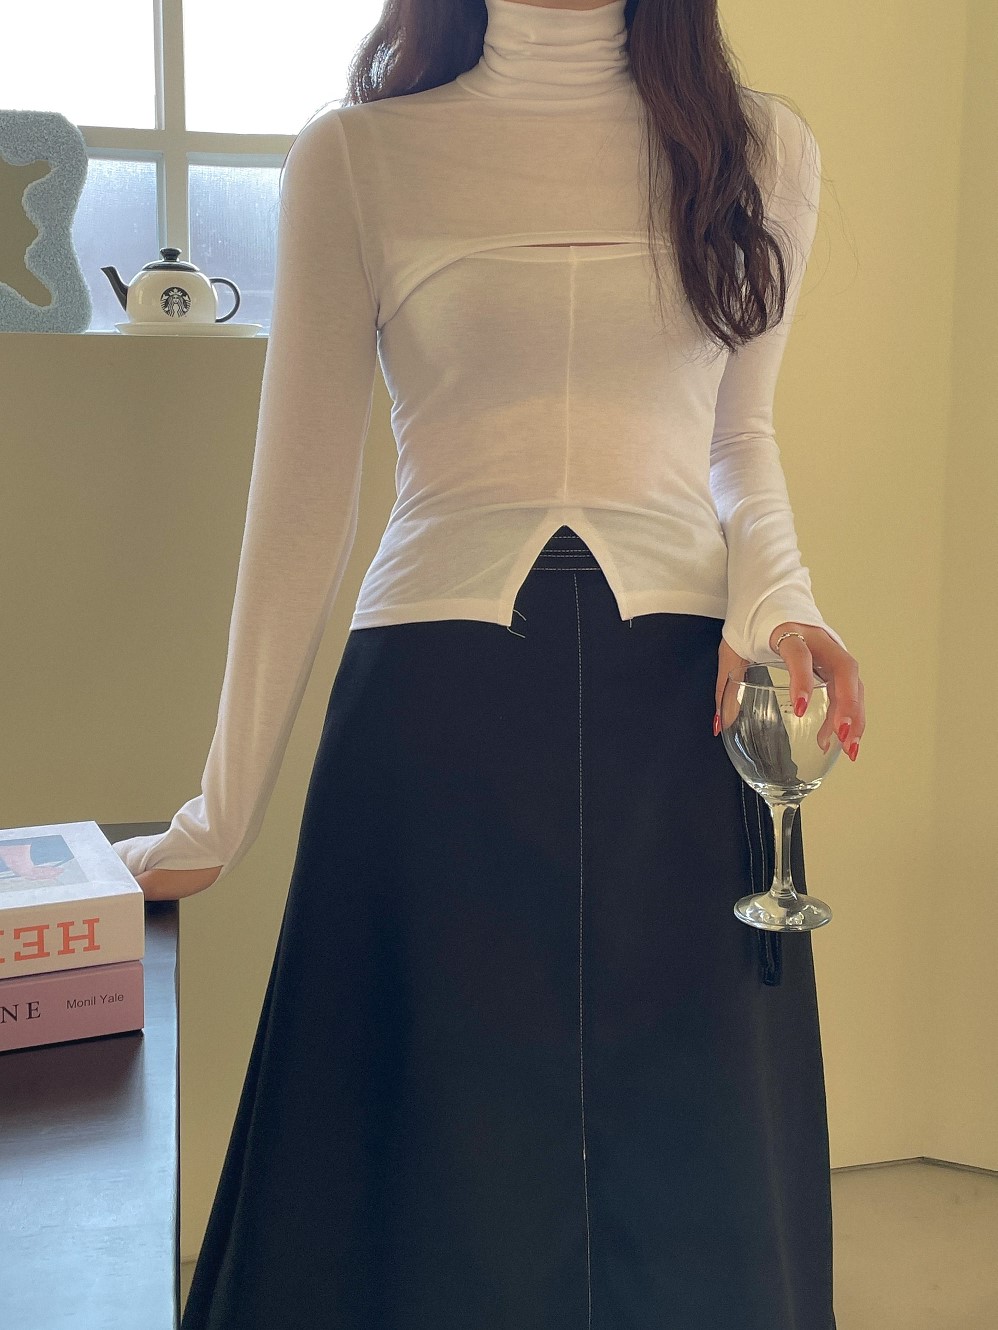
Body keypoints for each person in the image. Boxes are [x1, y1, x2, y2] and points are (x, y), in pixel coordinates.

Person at [116, 1, 865, 1325]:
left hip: (682, 726)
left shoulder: (763, 149)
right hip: (434, 714)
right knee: (429, 1176)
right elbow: (300, 509)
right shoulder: (356, 158)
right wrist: (215, 816)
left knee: (698, 1164)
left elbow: (736, 440)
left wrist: (783, 603)